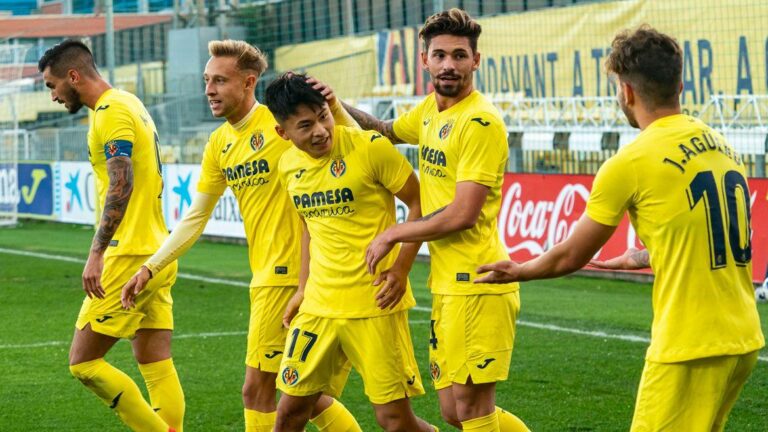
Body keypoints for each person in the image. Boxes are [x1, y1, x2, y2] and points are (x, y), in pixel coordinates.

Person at [476, 26, 765, 431]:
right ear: (679, 85)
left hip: (689, 345)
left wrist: (520, 269)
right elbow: (711, 231)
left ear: (626, 92)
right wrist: (648, 255)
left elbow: (571, 254)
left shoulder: (630, 162)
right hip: (744, 339)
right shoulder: (722, 145)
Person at [120, 40, 358, 432]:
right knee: (306, 394)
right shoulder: (219, 144)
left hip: (293, 275)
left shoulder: (282, 125)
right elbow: (196, 217)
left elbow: (348, 150)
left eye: (219, 81)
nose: (209, 90)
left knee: (259, 389)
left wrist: (338, 109)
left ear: (249, 82)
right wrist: (150, 267)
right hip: (268, 277)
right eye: (206, 80)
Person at [335, 8, 529, 431]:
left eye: (459, 55)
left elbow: (462, 214)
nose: (448, 65)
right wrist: (333, 103)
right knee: (453, 412)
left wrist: (395, 233)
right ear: (424, 60)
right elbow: (383, 129)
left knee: (474, 410)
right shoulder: (428, 112)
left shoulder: (480, 122)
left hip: (479, 282)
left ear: (476, 61)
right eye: (439, 55)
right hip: (447, 283)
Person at [265, 73, 437, 432]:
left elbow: (419, 202)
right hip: (318, 308)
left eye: (323, 116)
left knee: (393, 420)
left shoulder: (369, 147)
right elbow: (309, 228)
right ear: (283, 133)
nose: (320, 131)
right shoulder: (288, 166)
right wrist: (302, 289)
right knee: (290, 413)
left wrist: (401, 269)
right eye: (305, 125)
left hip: (374, 304)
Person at [40, 40, 183, 431]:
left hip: (130, 253)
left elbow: (123, 180)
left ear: (73, 76)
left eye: (52, 85)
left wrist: (97, 253)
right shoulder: (128, 102)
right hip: (159, 251)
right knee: (155, 363)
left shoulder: (112, 110)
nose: (52, 95)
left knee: (84, 364)